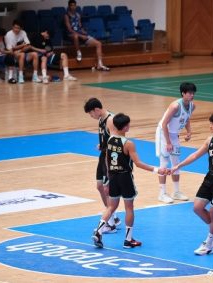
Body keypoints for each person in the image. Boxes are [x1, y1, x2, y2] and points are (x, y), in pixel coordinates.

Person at [92, 113, 168, 249]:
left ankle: (98, 230)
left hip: (113, 177)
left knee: (111, 207)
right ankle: (128, 240)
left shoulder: (109, 141)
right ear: (125, 127)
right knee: (129, 208)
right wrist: (157, 170)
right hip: (125, 178)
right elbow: (138, 163)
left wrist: (107, 181)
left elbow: (106, 160)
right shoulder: (128, 144)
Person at [172, 113, 213, 255]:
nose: (210, 126)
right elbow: (195, 155)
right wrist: (179, 165)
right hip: (209, 178)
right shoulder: (210, 140)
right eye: (210, 123)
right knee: (197, 207)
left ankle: (209, 244)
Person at [155, 82, 196, 203]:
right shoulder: (175, 106)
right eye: (189, 93)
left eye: (193, 93)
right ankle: (162, 193)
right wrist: (168, 142)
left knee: (176, 163)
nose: (192, 95)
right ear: (183, 93)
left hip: (174, 135)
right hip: (163, 133)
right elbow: (164, 124)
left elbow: (186, 118)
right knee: (164, 162)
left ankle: (176, 192)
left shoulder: (192, 106)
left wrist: (189, 131)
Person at [84, 98, 120, 233]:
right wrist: (102, 145)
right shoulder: (101, 119)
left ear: (96, 110)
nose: (91, 116)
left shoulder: (110, 120)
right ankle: (113, 216)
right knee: (100, 186)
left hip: (109, 158)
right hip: (103, 156)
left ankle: (110, 224)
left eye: (90, 114)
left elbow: (116, 141)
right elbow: (107, 139)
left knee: (107, 189)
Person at [64, 0, 110, 71]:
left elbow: (80, 26)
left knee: (98, 43)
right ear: (69, 6)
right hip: (71, 34)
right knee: (76, 36)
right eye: (71, 5)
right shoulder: (66, 15)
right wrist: (81, 36)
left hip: (80, 33)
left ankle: (100, 65)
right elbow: (69, 29)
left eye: (74, 5)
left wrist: (84, 32)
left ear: (76, 6)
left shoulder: (78, 15)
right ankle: (78, 53)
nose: (73, 7)